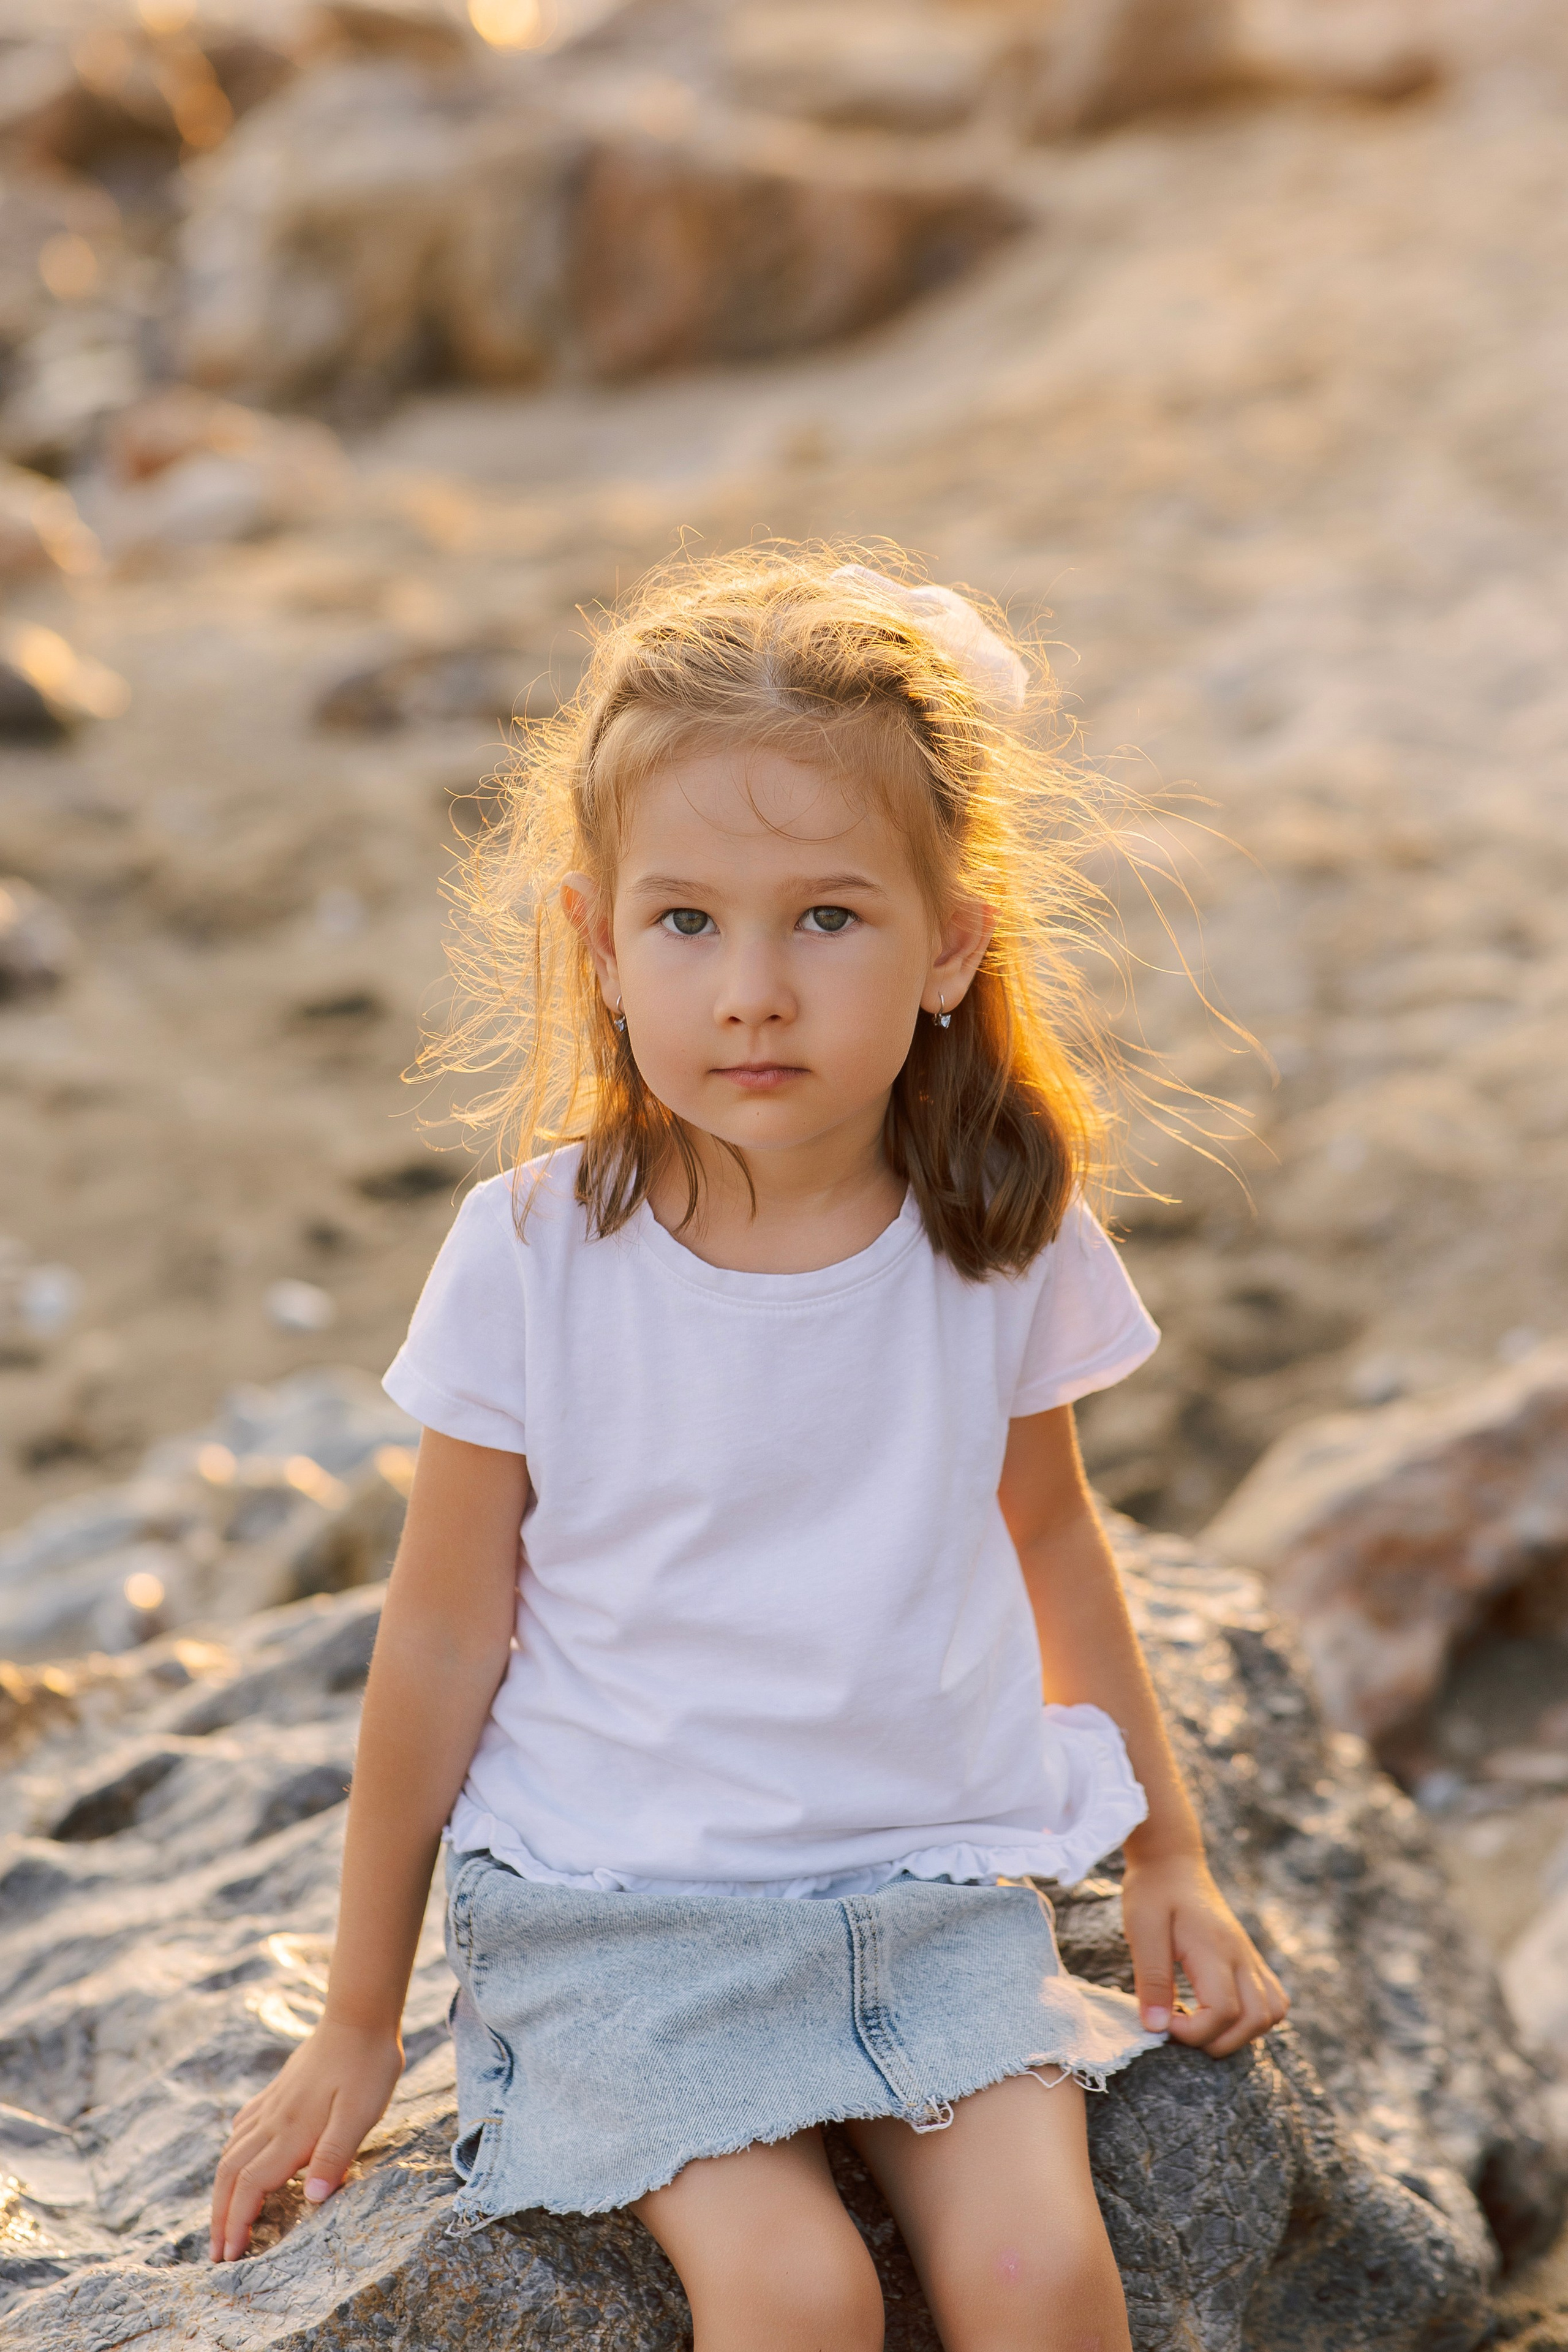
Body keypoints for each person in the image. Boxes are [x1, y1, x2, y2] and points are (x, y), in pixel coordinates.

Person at [210, 548, 1287, 2350]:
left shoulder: (992, 1236)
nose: (755, 991)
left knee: (1039, 2276)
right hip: (620, 1903)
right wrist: (357, 2016)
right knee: (794, 2297)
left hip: (925, 1883)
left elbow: (1057, 1542)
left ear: (952, 942)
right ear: (599, 944)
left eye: (830, 919)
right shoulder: (537, 1257)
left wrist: (1167, 1858)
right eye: (689, 921)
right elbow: (443, 1631)